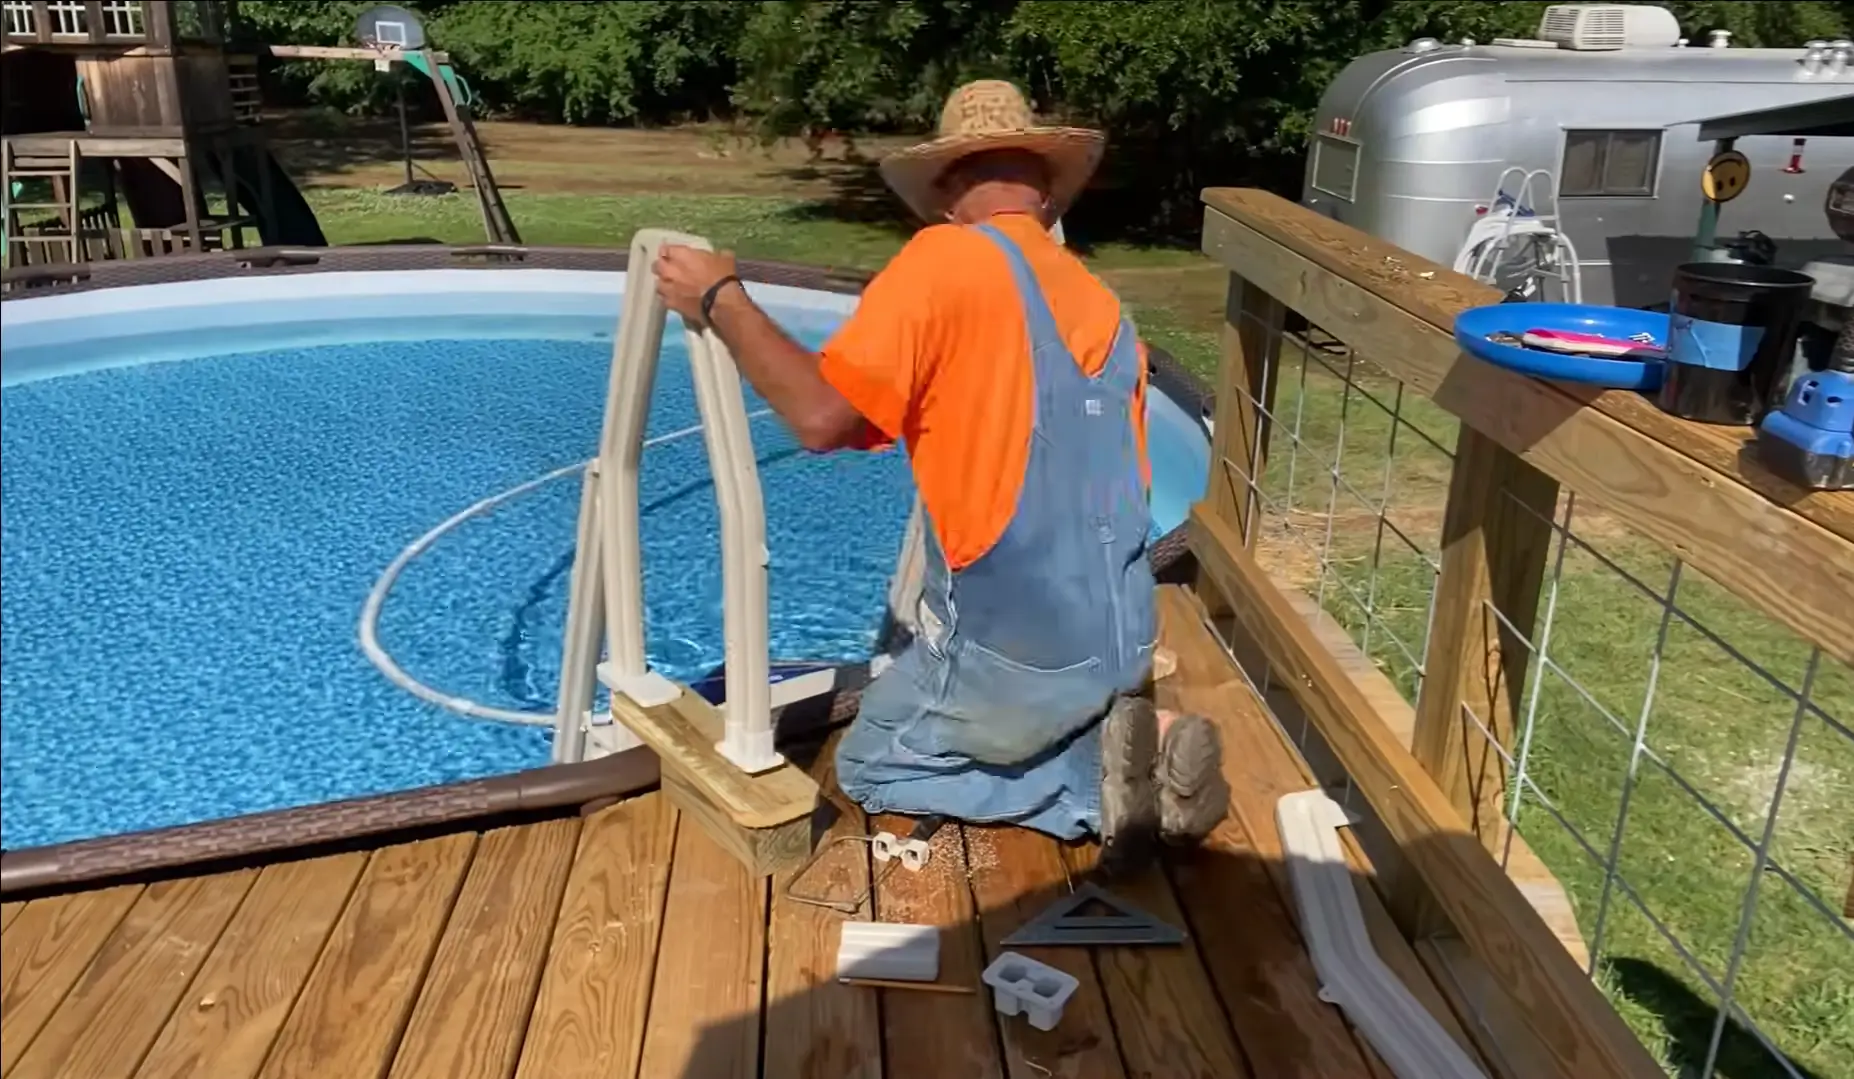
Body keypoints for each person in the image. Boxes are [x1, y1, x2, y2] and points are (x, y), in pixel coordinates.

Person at [654, 79, 1227, 873]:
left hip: (1013, 647)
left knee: (877, 762)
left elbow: (821, 419)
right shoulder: (1099, 303)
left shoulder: (944, 262)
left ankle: (1093, 790)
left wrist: (721, 296)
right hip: (1121, 635)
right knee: (1021, 705)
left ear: (948, 188)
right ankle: (1135, 738)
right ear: (1047, 192)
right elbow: (885, 417)